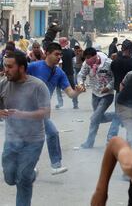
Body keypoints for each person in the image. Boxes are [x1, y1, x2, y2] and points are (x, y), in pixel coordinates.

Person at [1, 51, 51, 206]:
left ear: (21, 68)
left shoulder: (38, 86)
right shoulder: (3, 84)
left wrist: (21, 114)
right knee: (9, 177)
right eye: (4, 66)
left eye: (10, 67)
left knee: (22, 178)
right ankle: (31, 174)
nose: (5, 70)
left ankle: (27, 176)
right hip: (11, 139)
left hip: (33, 140)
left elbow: (46, 113)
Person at [27, 42, 83, 175]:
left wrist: (77, 92)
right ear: (46, 53)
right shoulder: (34, 67)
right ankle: (31, 165)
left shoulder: (59, 73)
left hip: (42, 111)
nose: (59, 57)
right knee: (36, 137)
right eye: (56, 54)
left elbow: (70, 93)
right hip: (26, 107)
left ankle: (53, 165)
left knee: (48, 134)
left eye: (60, 55)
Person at [77, 47, 120, 149]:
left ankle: (89, 142)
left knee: (94, 118)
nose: (87, 60)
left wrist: (108, 87)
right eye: (85, 58)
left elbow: (116, 78)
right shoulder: (87, 64)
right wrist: (80, 84)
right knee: (98, 118)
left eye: (88, 57)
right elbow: (81, 75)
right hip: (95, 94)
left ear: (95, 55)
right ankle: (118, 116)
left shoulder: (109, 63)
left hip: (107, 95)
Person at [55, 37, 78, 109]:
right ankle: (75, 104)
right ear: (67, 43)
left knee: (58, 88)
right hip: (70, 73)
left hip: (61, 74)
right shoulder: (70, 51)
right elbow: (75, 58)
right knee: (73, 88)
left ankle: (60, 103)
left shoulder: (58, 52)